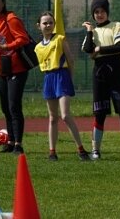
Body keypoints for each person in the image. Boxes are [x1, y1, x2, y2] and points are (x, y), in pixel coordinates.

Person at [82, 0, 120, 160]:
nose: (99, 14)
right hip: (100, 76)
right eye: (96, 12)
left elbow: (119, 46)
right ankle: (96, 151)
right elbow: (87, 49)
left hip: (117, 74)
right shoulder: (93, 32)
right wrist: (90, 31)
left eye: (102, 11)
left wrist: (99, 49)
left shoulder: (116, 26)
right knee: (99, 113)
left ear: (107, 12)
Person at [34, 12, 91, 161]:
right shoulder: (38, 47)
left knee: (65, 115)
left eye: (50, 23)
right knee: (53, 117)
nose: (48, 25)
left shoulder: (60, 39)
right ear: (38, 26)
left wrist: (70, 78)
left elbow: (71, 60)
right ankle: (52, 151)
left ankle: (81, 149)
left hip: (62, 76)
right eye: (44, 23)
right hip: (49, 78)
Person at [0, 0, 31, 155]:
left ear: (3, 3)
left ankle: (19, 144)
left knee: (14, 106)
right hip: (2, 72)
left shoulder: (10, 19)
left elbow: (23, 39)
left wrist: (7, 46)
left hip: (17, 70)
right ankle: (10, 141)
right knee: (6, 108)